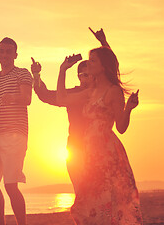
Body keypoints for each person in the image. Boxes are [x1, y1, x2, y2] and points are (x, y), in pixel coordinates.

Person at [56, 45, 142, 224]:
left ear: (103, 66)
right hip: (88, 153)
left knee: (107, 203)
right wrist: (62, 70)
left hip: (107, 154)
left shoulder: (113, 91)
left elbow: (121, 127)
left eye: (93, 60)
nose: (89, 63)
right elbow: (61, 99)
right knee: (86, 203)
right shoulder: (90, 92)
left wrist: (128, 109)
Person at [29, 27, 109, 194]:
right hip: (76, 149)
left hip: (99, 148)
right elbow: (45, 95)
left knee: (101, 194)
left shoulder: (101, 93)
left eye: (91, 75)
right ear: (79, 76)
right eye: (84, 75)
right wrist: (37, 76)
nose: (88, 78)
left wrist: (104, 43)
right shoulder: (72, 94)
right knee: (82, 194)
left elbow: (110, 70)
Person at [0, 38, 33, 225]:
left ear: (15, 55)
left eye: (8, 51)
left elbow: (27, 98)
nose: (4, 55)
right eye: (1, 51)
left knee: (11, 185)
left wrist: (12, 97)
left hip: (15, 134)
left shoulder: (22, 73)